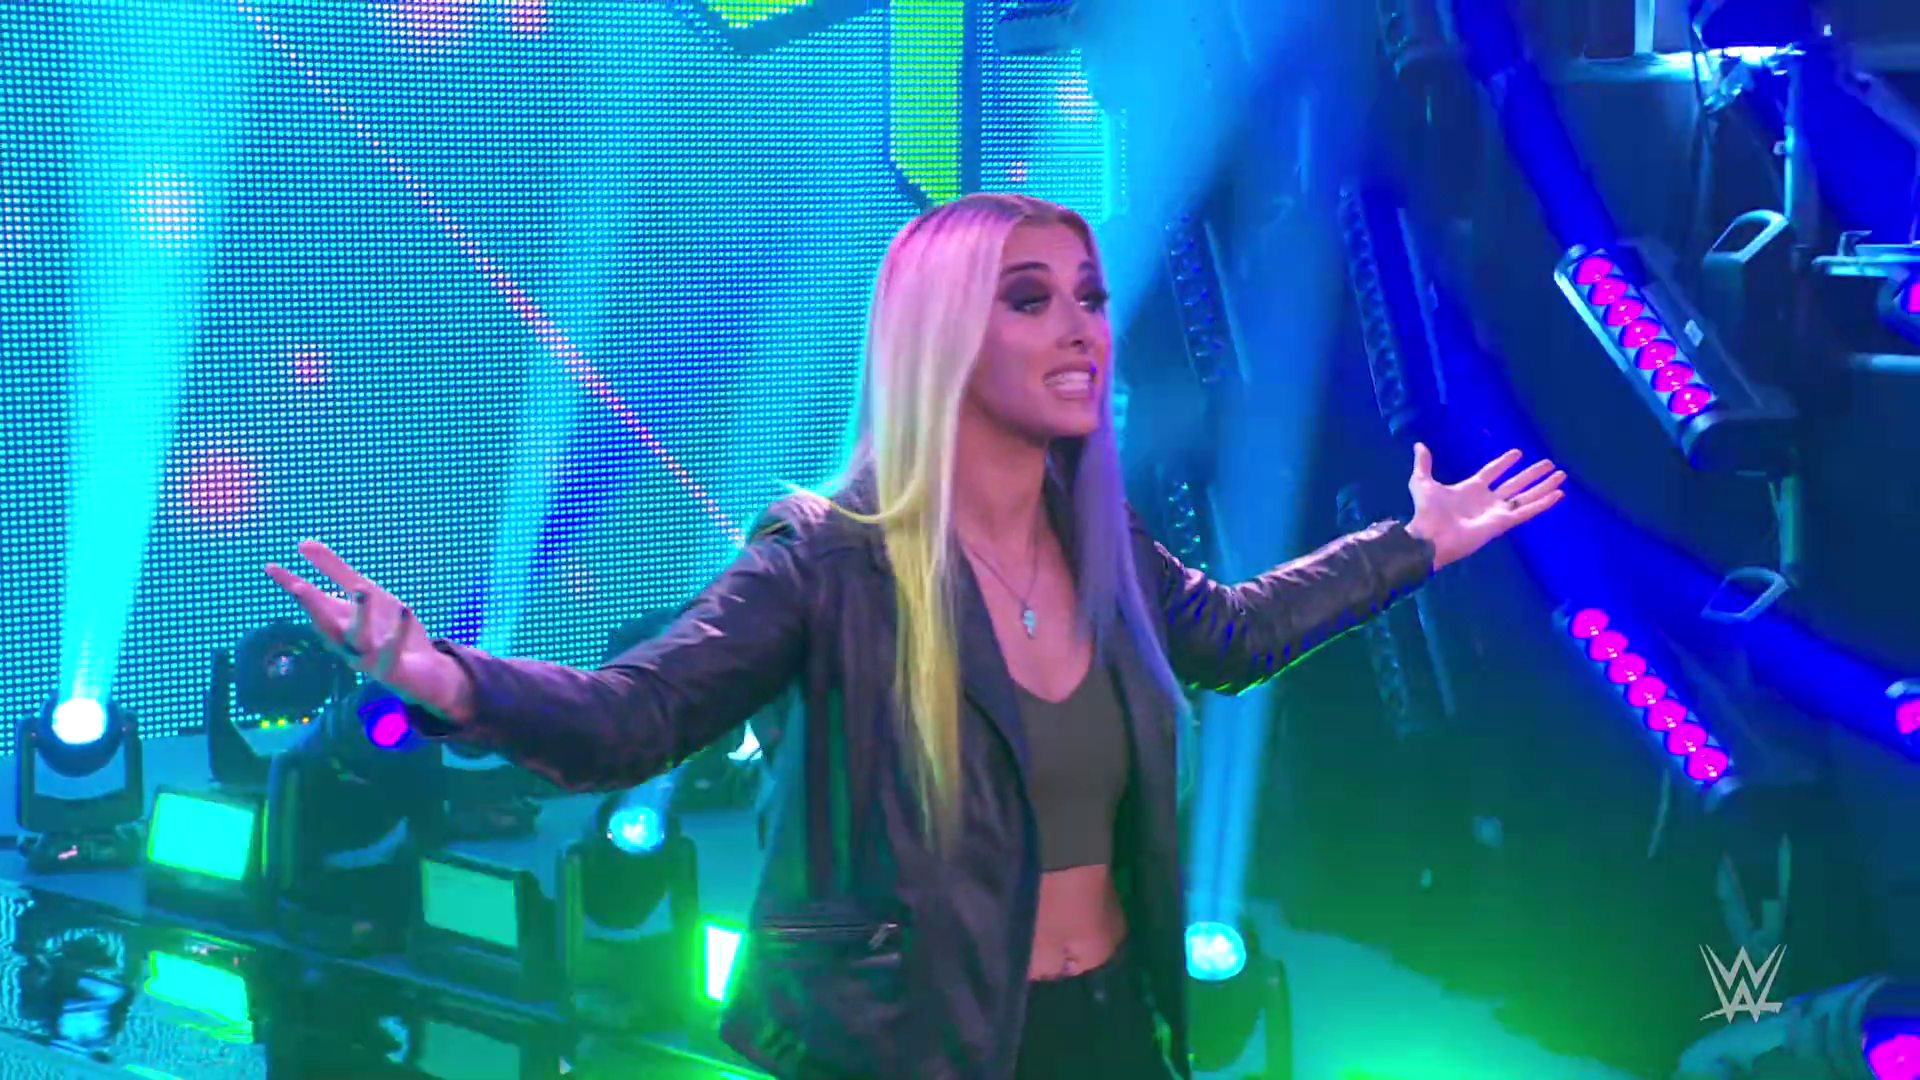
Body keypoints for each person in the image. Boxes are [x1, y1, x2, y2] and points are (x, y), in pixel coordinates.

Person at [265, 193, 1564, 1080]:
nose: (1081, 327)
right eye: (1030, 299)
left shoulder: (1098, 543)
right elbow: (636, 716)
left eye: (1091, 298)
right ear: (941, 336)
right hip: (911, 1047)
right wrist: (443, 678)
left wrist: (1409, 545)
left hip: (1109, 1029)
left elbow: (1230, 633)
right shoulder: (824, 560)